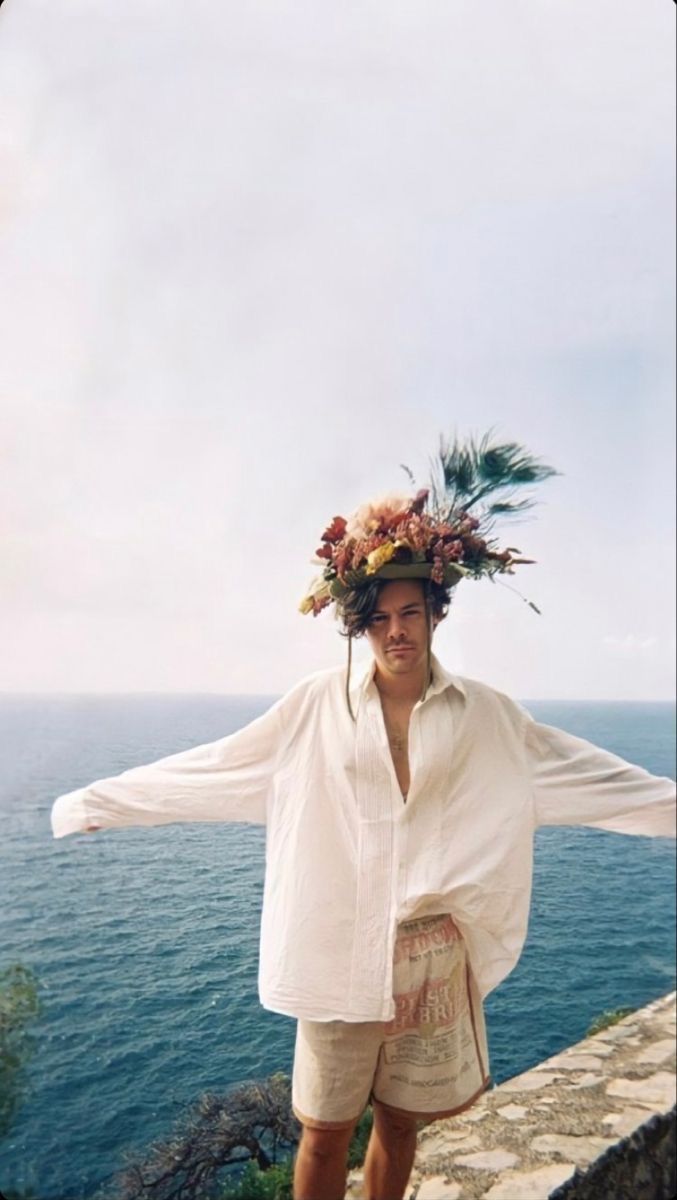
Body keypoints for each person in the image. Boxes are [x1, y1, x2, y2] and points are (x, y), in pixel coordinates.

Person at [51, 435, 676, 1200]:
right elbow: (215, 768)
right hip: (338, 956)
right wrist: (95, 804)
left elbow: (595, 777)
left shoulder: (489, 717)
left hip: (427, 958)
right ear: (359, 625)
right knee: (320, 1133)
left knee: (402, 1124)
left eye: (411, 614)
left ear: (437, 613)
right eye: (379, 621)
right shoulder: (315, 707)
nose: (397, 634)